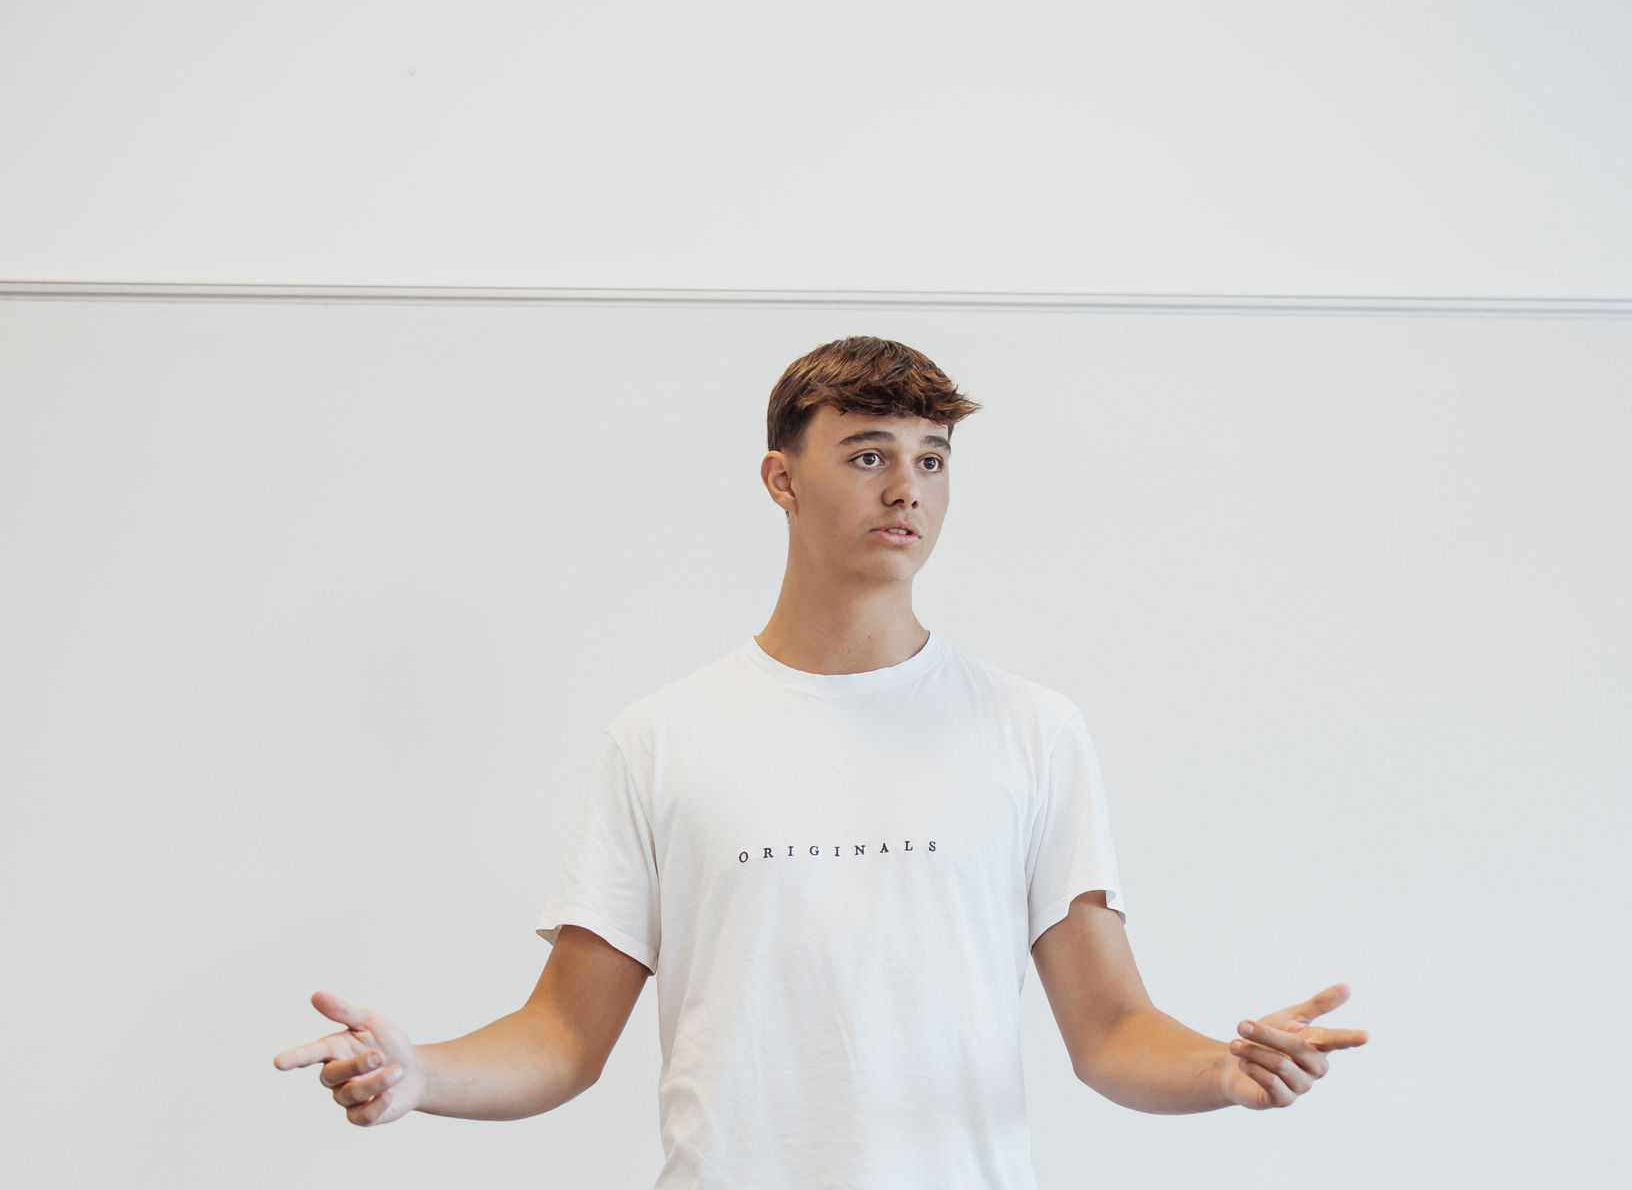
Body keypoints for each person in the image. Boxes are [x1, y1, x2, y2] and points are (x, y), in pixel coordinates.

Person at [274, 336, 1368, 1187]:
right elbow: (562, 1036)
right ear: (780, 479)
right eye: (869, 454)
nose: (908, 489)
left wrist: (1225, 1071)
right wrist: (422, 1073)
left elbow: (1112, 1030)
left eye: (932, 460)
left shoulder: (1032, 730)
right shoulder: (663, 737)